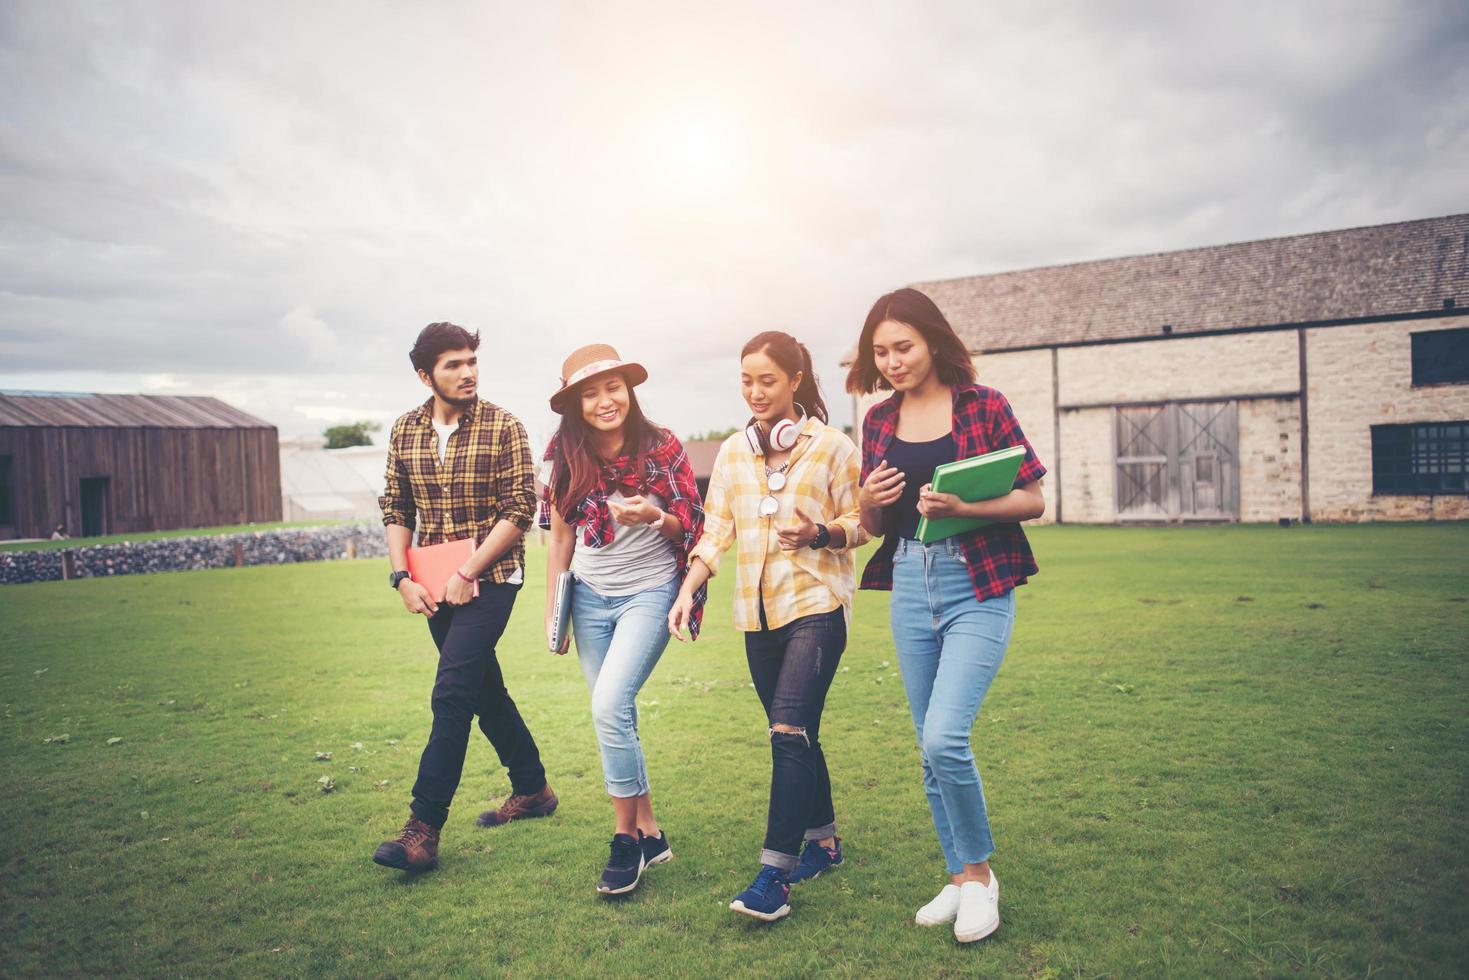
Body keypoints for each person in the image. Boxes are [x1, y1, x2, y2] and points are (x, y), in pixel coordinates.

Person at [847, 288, 1047, 943]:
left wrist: (963, 509)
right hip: (909, 579)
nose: (892, 360)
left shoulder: (984, 405)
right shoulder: (877, 420)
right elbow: (873, 523)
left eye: (902, 346)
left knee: (944, 738)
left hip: (977, 582)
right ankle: (958, 876)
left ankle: (982, 878)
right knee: (927, 748)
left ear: (932, 340)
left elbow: (1032, 499)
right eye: (880, 351)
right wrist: (865, 497)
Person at [668, 331, 868, 922]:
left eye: (768, 380)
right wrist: (688, 588)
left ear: (796, 381)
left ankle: (774, 877)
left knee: (787, 732)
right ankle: (825, 841)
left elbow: (864, 521)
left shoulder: (834, 447)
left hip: (817, 605)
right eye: (747, 380)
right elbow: (714, 534)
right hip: (756, 619)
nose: (756, 392)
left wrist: (822, 533)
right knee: (797, 731)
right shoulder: (732, 453)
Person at [373, 321, 557, 873]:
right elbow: (396, 508)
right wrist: (402, 577)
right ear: (426, 374)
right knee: (482, 689)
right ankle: (533, 787)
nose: (468, 371)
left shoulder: (504, 426)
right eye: (453, 364)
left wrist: (467, 570)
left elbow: (519, 511)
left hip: (494, 577)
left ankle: (421, 831)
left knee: (452, 691)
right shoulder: (405, 430)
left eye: (472, 360)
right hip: (432, 581)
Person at [540, 344, 705, 896]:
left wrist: (655, 516)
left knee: (608, 705)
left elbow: (691, 528)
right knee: (618, 714)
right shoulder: (562, 457)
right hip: (588, 597)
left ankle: (624, 840)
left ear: (628, 390)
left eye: (613, 387)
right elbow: (560, 537)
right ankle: (652, 833)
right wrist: (553, 610)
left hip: (650, 593)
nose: (605, 400)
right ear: (575, 405)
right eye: (591, 393)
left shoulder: (662, 447)